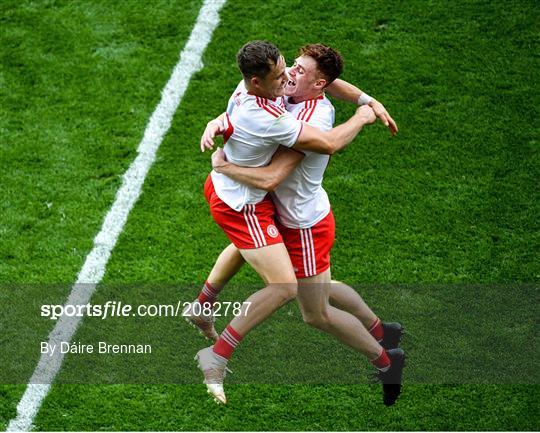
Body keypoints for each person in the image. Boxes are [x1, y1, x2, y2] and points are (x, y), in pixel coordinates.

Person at [189, 43, 405, 406]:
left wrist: (364, 114)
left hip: (303, 224)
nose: (290, 74)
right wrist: (368, 99)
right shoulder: (283, 92)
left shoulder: (313, 119)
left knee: (315, 311)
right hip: (286, 214)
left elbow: (274, 177)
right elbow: (328, 82)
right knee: (305, 280)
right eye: (290, 69)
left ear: (319, 85)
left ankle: (387, 361)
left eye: (299, 72)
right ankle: (385, 333)